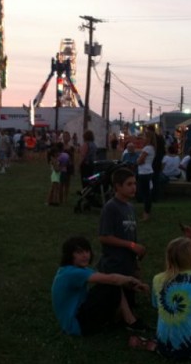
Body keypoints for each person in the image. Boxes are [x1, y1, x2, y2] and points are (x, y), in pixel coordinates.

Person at [52, 236, 150, 336]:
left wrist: (132, 286)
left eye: (87, 251)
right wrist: (132, 279)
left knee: (113, 284)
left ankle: (122, 318)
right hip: (77, 325)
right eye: (79, 252)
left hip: (78, 316)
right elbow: (112, 279)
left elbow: (105, 278)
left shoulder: (74, 270)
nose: (85, 255)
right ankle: (130, 321)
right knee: (111, 285)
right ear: (69, 255)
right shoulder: (72, 273)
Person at [98, 168, 149, 330]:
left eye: (134, 183)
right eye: (129, 184)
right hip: (114, 262)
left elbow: (132, 235)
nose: (133, 187)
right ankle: (126, 318)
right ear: (117, 187)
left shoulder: (130, 208)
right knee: (116, 303)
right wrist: (131, 246)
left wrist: (136, 261)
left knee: (131, 297)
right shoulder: (111, 207)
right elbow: (104, 237)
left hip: (128, 262)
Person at [136, 128, 156, 221]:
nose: (143, 138)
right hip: (147, 171)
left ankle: (146, 214)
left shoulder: (147, 148)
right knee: (146, 193)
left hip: (144, 172)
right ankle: (147, 212)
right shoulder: (151, 148)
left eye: (144, 137)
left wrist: (138, 160)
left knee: (146, 194)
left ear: (148, 138)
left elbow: (140, 161)